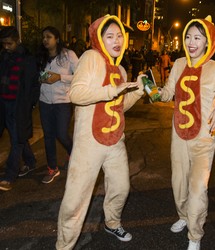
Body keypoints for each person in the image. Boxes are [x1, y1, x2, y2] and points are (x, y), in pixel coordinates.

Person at [55, 15, 144, 249]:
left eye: (120, 36)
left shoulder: (121, 69)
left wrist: (136, 91)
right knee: (76, 200)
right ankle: (64, 245)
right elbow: (76, 94)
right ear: (99, 39)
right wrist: (111, 91)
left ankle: (112, 223)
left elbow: (119, 106)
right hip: (89, 143)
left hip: (115, 141)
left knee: (121, 187)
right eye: (110, 36)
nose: (117, 40)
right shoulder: (91, 58)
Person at [159, 16, 215, 250]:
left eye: (198, 38)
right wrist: (152, 90)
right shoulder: (179, 64)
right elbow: (166, 93)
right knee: (178, 184)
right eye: (188, 37)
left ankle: (195, 235)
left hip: (203, 138)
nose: (192, 42)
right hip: (178, 137)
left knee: (197, 189)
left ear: (208, 42)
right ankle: (183, 216)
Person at [37, 26, 79, 184]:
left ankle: (73, 153)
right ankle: (52, 168)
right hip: (45, 102)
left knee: (61, 134)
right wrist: (40, 78)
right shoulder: (41, 57)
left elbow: (80, 75)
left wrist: (60, 77)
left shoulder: (69, 55)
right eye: (43, 37)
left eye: (49, 37)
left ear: (57, 39)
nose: (45, 40)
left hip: (63, 102)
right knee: (48, 136)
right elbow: (36, 76)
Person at [0, 26, 39, 191]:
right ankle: (30, 162)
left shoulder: (27, 59)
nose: (6, 47)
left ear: (17, 41)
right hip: (3, 105)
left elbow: (32, 85)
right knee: (18, 136)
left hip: (19, 107)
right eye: (4, 44)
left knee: (16, 141)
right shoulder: (3, 56)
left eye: (9, 43)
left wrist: (29, 105)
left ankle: (10, 174)